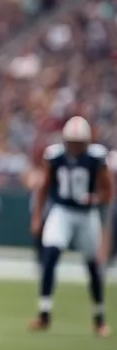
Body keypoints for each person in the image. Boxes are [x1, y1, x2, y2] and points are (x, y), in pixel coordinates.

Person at [30, 116, 112, 336]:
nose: (75, 147)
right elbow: (44, 187)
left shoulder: (96, 158)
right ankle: (44, 313)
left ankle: (99, 317)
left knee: (93, 267)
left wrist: (94, 199)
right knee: (50, 257)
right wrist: (37, 217)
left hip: (86, 214)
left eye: (79, 143)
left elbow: (107, 191)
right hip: (62, 211)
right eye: (71, 142)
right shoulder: (55, 156)